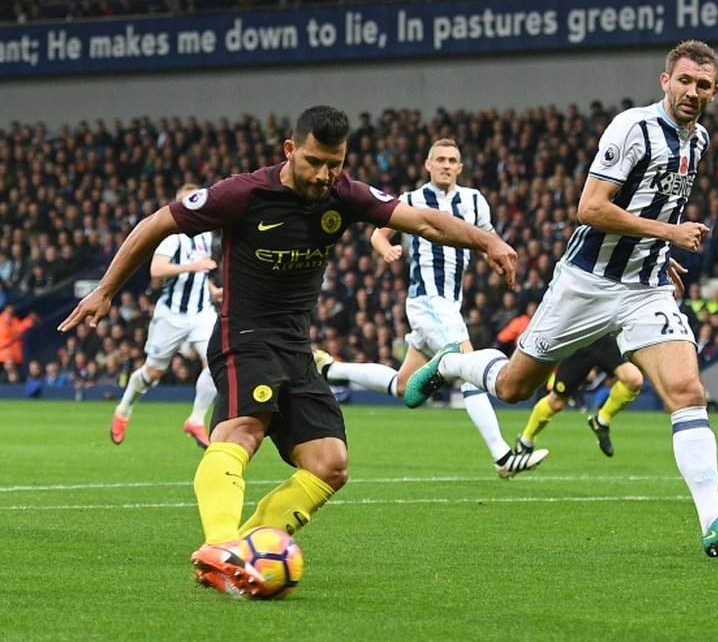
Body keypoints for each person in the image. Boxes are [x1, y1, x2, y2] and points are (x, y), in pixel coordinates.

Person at [58, 105, 518, 598]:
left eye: (334, 164)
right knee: (242, 430)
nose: (324, 175)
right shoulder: (244, 193)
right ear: (290, 150)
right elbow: (157, 224)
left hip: (297, 347)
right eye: (315, 161)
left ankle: (245, 549)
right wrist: (106, 289)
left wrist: (487, 240)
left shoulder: (346, 195)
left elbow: (424, 222)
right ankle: (219, 546)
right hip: (245, 336)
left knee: (330, 463)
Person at [403, 40, 718, 558]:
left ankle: (713, 518)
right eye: (683, 80)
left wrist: (659, 254)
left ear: (715, 91)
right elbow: (590, 208)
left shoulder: (700, 138)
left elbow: (656, 200)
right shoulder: (632, 128)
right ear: (665, 81)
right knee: (513, 387)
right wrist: (667, 233)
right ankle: (453, 365)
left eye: (703, 85)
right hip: (586, 283)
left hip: (645, 288)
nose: (692, 91)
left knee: (687, 390)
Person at [315, 138, 547, 478]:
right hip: (427, 300)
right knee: (467, 363)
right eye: (440, 159)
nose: (446, 165)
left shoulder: (474, 200)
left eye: (452, 159)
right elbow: (379, 234)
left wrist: (500, 258)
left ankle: (331, 370)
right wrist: (384, 249)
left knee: (403, 385)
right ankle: (502, 456)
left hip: (449, 303)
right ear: (428, 165)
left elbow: (489, 237)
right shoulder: (411, 200)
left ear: (460, 167)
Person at [109, 183, 220, 449]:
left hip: (202, 311)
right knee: (153, 372)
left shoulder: (205, 236)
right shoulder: (173, 236)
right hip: (171, 315)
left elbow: (201, 275)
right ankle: (124, 409)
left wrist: (214, 291)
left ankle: (196, 419)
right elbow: (157, 270)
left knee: (217, 363)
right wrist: (195, 265)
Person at [515, 334, 644, 458]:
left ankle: (601, 421)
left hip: (603, 339)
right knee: (557, 402)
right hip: (579, 344)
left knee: (633, 380)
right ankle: (526, 440)